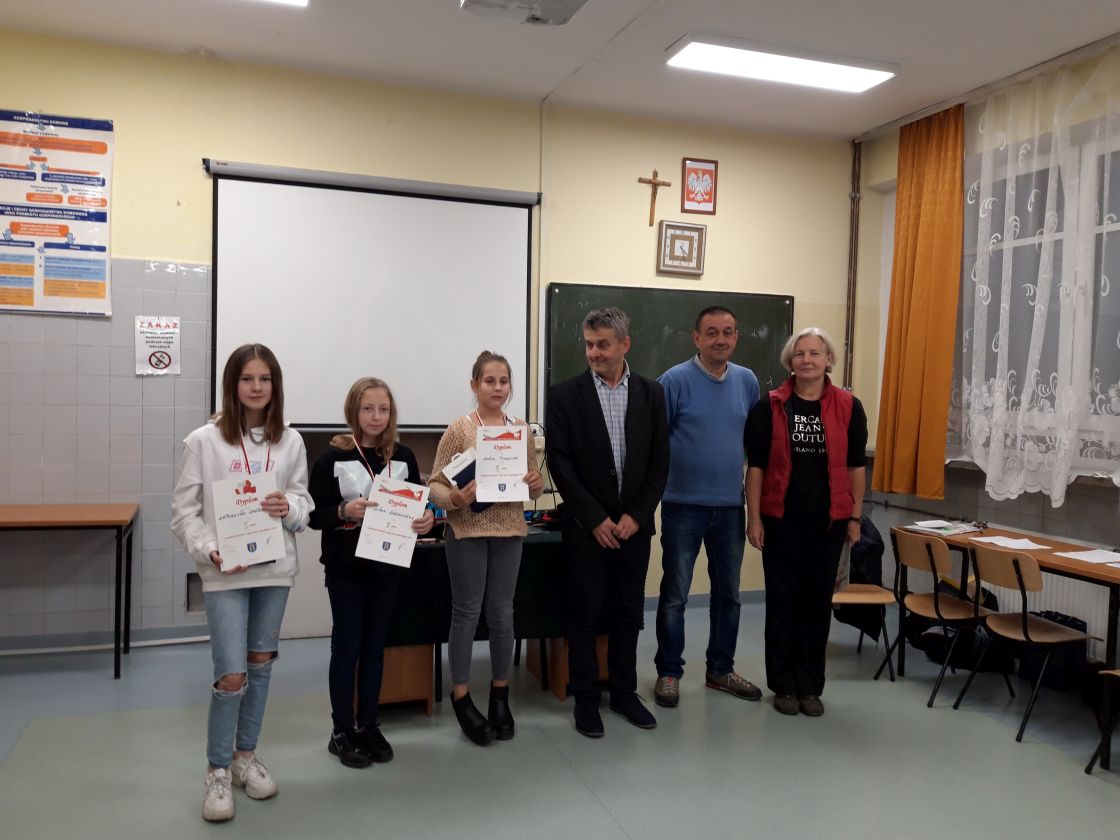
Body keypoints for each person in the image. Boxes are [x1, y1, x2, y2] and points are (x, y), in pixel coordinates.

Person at [171, 343, 313, 823]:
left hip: (274, 571)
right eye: (247, 379)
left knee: (261, 666)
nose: (256, 387)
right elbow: (183, 514)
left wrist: (288, 508)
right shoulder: (204, 441)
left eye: (265, 379)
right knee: (231, 675)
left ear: (275, 385)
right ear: (232, 385)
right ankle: (216, 768)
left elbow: (303, 505)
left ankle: (243, 758)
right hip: (225, 573)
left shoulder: (290, 441)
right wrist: (210, 549)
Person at [546, 306, 670, 737]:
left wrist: (637, 515)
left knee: (627, 613)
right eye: (589, 344)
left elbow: (660, 462)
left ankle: (623, 692)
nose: (594, 352)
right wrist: (595, 518)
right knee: (584, 615)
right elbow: (560, 463)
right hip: (587, 530)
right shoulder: (565, 395)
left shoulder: (652, 394)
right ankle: (585, 699)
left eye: (603, 344)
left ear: (624, 345)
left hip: (634, 529)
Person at [308, 378, 434, 768]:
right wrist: (343, 511)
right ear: (354, 411)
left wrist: (427, 519)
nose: (376, 416)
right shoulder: (332, 457)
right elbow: (313, 515)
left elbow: (419, 509)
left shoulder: (404, 456)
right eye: (368, 408)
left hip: (387, 568)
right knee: (347, 649)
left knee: (375, 649)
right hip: (346, 570)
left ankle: (369, 724)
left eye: (383, 409)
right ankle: (342, 730)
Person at [745, 327, 867, 717]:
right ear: (790, 361)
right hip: (781, 522)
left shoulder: (849, 406)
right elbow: (756, 467)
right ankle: (783, 684)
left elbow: (856, 467)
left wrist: (855, 517)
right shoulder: (770, 406)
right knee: (782, 604)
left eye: (815, 353)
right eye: (800, 354)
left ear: (829, 359)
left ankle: (810, 686)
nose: (807, 360)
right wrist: (754, 518)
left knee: (816, 606)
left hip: (828, 525)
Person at [428, 351, 544, 745]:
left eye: (504, 381)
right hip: (466, 533)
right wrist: (456, 498)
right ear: (474, 385)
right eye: (489, 381)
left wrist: (535, 484)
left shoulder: (520, 430)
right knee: (466, 613)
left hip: (509, 531)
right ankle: (461, 697)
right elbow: (435, 485)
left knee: (502, 614)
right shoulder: (460, 430)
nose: (498, 388)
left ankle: (500, 695)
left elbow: (533, 486)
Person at [653, 306, 762, 708]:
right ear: (696, 338)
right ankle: (669, 672)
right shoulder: (673, 381)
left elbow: (753, 446)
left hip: (730, 508)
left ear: (736, 337)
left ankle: (720, 670)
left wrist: (753, 509)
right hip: (682, 506)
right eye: (712, 332)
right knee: (675, 595)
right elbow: (654, 443)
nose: (721, 339)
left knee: (728, 596)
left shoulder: (747, 381)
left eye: (728, 332)